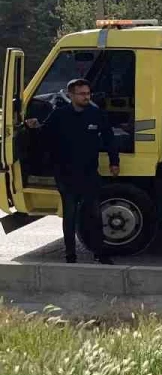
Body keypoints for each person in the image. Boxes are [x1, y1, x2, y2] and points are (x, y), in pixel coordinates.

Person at [23, 78, 119, 265]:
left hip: (90, 173)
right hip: (66, 175)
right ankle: (70, 255)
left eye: (88, 93)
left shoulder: (95, 114)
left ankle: (100, 254)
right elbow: (44, 137)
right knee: (70, 214)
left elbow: (109, 138)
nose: (86, 97)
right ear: (71, 95)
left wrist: (114, 162)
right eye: (82, 94)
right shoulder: (59, 115)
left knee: (94, 215)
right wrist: (33, 128)